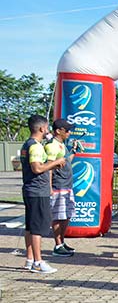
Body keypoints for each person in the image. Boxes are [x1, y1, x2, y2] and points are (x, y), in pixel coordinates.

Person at [20, 115, 65, 274]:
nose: (48, 131)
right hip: (37, 191)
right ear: (41, 129)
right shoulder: (36, 146)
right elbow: (37, 168)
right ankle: (38, 262)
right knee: (38, 227)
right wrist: (55, 162)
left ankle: (30, 259)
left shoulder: (27, 145)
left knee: (31, 226)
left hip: (31, 190)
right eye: (46, 128)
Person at [44, 119, 78, 258]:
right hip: (58, 186)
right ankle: (58, 246)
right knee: (58, 216)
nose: (69, 132)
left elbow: (66, 161)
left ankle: (62, 243)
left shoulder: (61, 145)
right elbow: (49, 167)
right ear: (59, 131)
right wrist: (50, 187)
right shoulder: (52, 146)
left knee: (66, 215)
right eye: (67, 130)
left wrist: (74, 151)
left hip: (67, 185)